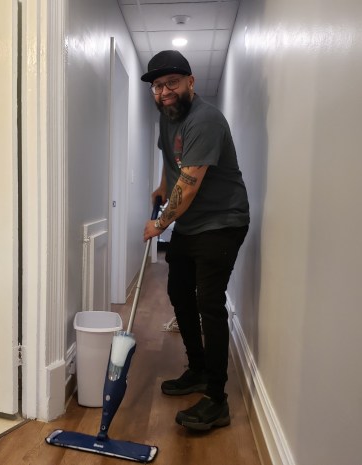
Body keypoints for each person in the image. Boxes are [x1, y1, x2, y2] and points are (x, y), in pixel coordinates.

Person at [141, 50, 250, 431]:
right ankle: (199, 369)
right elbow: (173, 168)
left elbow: (188, 185)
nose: (164, 91)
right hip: (191, 224)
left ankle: (217, 400)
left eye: (172, 82)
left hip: (222, 221)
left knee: (209, 303)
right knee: (179, 292)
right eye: (157, 85)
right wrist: (160, 186)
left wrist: (158, 225)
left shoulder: (205, 119)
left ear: (190, 81)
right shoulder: (166, 114)